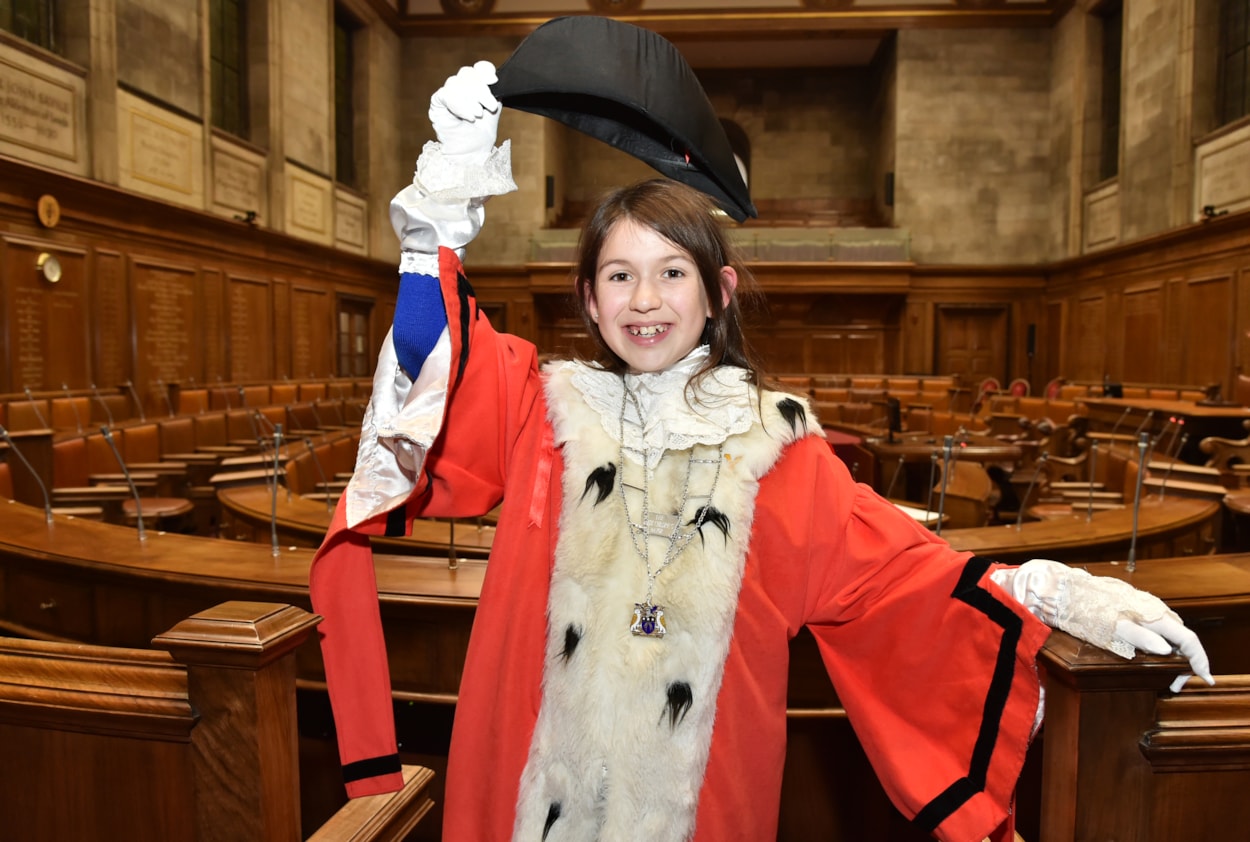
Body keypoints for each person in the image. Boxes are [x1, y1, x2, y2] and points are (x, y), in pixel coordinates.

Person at [309, 61, 1213, 842]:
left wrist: (1046, 593)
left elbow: (897, 579)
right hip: (526, 787)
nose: (645, 299)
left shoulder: (775, 448)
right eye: (618, 275)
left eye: (673, 273)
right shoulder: (541, 410)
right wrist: (440, 213)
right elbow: (431, 361)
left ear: (719, 292)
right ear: (587, 301)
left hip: (705, 799)